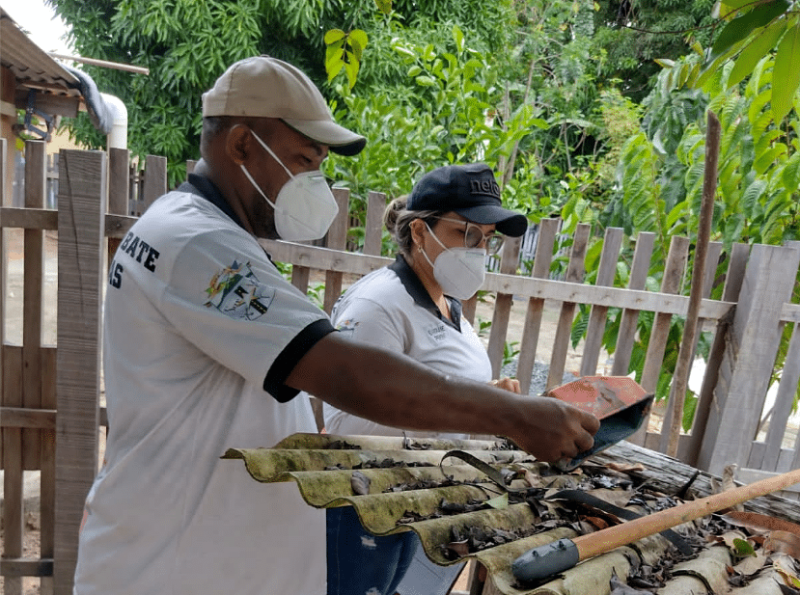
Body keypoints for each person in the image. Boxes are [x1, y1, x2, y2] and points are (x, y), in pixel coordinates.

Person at [73, 56, 599, 595]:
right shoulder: (196, 242)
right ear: (241, 145)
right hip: (170, 567)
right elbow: (345, 373)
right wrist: (514, 416)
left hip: (193, 554)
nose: (313, 183)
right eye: (304, 160)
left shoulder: (191, 230)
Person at [323, 163, 527, 595]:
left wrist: (488, 397)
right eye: (467, 234)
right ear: (419, 232)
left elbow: (443, 383)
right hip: (367, 500)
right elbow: (352, 418)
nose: (479, 250)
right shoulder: (378, 305)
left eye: (487, 239)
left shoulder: (447, 303)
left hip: (416, 495)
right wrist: (479, 409)